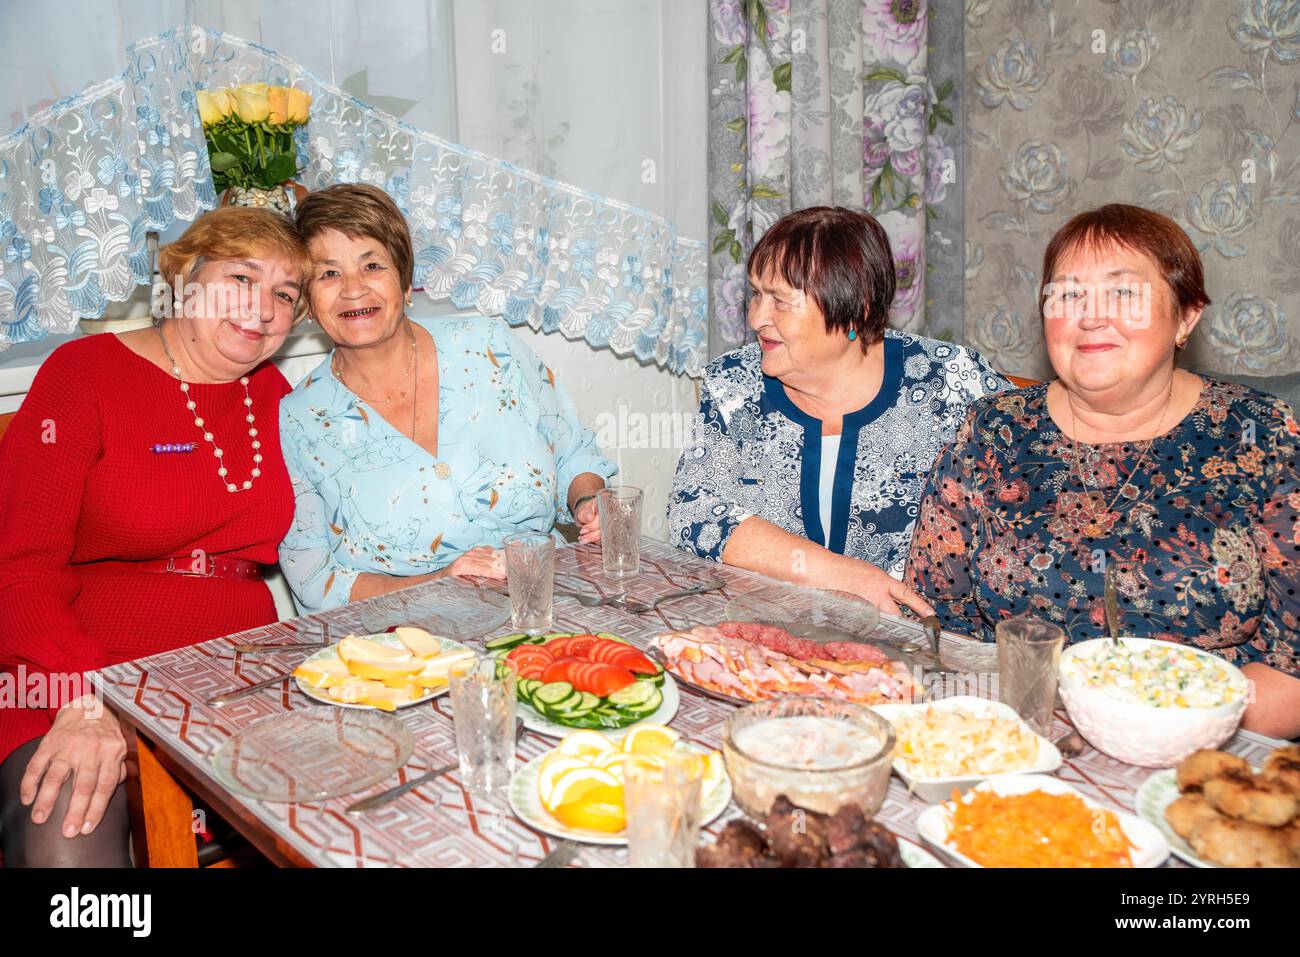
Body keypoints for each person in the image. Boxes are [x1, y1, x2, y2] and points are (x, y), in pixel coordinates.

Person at [907, 203, 1300, 738]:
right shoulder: (992, 430)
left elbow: (1291, 667)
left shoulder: (1260, 433)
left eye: (1124, 293)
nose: (1091, 316)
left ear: (1186, 316)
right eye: (1068, 295)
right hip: (1019, 737)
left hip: (1199, 752)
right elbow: (933, 623)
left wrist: (1157, 731)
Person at [0, 206, 310, 865]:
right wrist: (81, 700)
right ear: (185, 276)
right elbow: (17, 564)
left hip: (234, 677)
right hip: (73, 669)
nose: (264, 308)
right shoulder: (82, 373)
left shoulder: (278, 394)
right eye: (241, 278)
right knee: (68, 824)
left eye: (286, 294)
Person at [279, 184, 616, 613]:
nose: (353, 289)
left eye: (372, 265)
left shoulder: (490, 346)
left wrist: (589, 502)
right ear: (308, 300)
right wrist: (434, 582)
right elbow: (313, 577)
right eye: (328, 274)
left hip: (545, 605)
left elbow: (573, 451)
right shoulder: (298, 420)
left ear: (404, 282)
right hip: (410, 639)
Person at [667, 206, 1008, 615]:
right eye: (757, 293)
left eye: (780, 300)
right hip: (770, 634)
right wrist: (846, 576)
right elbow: (693, 510)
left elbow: (1021, 512)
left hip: (918, 646)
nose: (757, 317)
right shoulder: (734, 384)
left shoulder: (954, 384)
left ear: (856, 306)